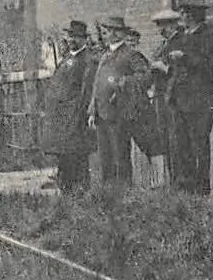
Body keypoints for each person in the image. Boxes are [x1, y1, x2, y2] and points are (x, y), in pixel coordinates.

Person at [162, 3, 213, 194]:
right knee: (182, 145)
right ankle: (186, 186)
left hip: (199, 100)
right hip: (180, 99)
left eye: (186, 14)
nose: (183, 17)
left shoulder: (208, 36)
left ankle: (202, 187)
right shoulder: (183, 36)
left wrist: (184, 57)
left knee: (199, 145)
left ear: (195, 16)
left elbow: (208, 65)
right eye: (182, 13)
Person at [87, 15, 151, 185]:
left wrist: (125, 83)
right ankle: (108, 196)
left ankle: (124, 194)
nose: (104, 35)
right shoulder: (105, 56)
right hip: (102, 114)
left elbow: (145, 76)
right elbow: (97, 84)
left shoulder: (131, 55)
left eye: (107, 32)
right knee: (105, 158)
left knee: (119, 156)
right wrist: (93, 110)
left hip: (119, 115)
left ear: (116, 33)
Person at [42, 21, 98, 194]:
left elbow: (87, 90)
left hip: (75, 117)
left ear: (84, 39)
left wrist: (82, 113)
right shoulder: (68, 58)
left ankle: (79, 195)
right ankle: (66, 194)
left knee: (77, 157)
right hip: (61, 118)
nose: (72, 40)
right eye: (70, 36)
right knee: (64, 158)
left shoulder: (87, 60)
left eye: (77, 37)